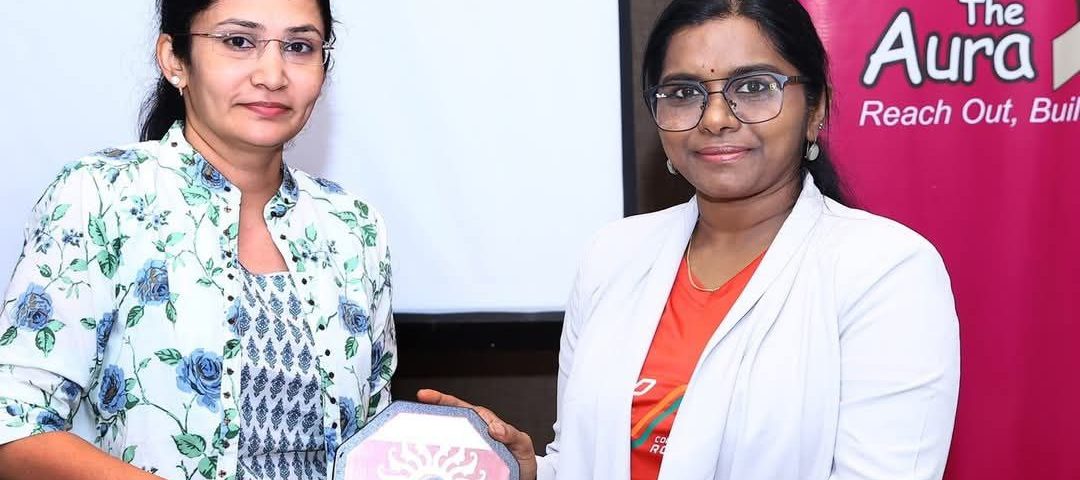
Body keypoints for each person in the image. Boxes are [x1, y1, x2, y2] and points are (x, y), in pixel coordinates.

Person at [420, 0, 961, 478]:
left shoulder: (887, 272)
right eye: (684, 93)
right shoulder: (613, 255)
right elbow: (590, 459)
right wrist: (532, 471)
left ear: (815, 108)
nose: (716, 118)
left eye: (754, 87)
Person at [0, 1, 396, 479]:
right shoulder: (102, 195)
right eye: (239, 41)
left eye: (298, 47)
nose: (273, 75)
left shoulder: (354, 227)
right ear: (174, 59)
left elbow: (373, 447)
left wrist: (468, 450)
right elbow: (14, 429)